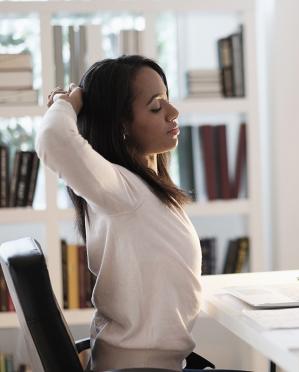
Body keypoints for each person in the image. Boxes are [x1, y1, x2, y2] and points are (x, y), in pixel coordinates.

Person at [37, 55, 203, 371]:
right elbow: (53, 138)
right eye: (156, 107)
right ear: (121, 125)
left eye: (167, 101)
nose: (173, 113)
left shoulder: (141, 189)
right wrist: (66, 104)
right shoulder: (121, 190)